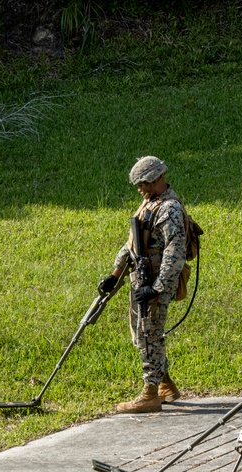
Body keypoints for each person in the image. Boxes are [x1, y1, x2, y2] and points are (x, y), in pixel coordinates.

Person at [98, 156, 188, 413]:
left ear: (159, 178)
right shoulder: (149, 204)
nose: (140, 188)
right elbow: (133, 244)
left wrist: (158, 287)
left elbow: (175, 252)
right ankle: (165, 385)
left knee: (149, 334)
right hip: (142, 278)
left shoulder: (169, 209)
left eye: (145, 183)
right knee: (142, 334)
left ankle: (150, 393)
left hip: (154, 281)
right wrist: (115, 274)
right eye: (138, 184)